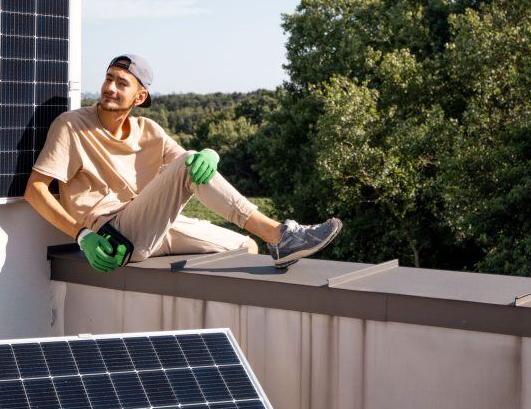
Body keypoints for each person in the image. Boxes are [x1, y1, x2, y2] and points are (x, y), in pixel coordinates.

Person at [24, 53, 343, 272]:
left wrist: (212, 155)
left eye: (122, 83)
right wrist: (81, 235)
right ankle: (281, 235)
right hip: (112, 235)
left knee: (245, 248)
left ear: (139, 97)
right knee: (192, 161)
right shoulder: (71, 125)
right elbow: (35, 190)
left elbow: (199, 171)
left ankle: (273, 244)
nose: (110, 88)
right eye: (109, 78)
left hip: (151, 227)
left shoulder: (149, 131)